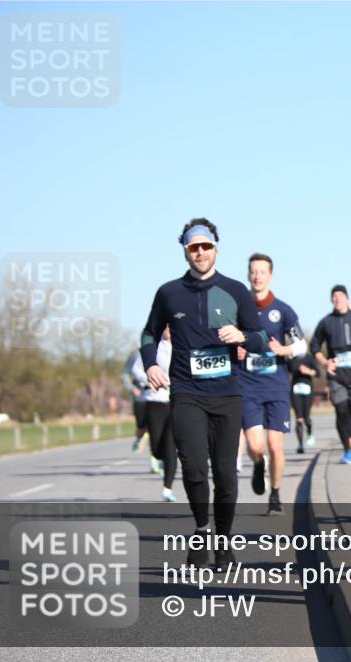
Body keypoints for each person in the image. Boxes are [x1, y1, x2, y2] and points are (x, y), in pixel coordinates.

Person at [142, 218, 268, 570]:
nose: (200, 253)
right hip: (186, 392)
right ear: (185, 250)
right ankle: (201, 532)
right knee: (195, 468)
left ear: (216, 248)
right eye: (193, 247)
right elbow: (149, 335)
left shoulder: (235, 291)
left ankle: (224, 543)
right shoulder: (169, 293)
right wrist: (152, 364)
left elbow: (260, 339)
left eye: (206, 246)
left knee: (226, 475)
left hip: (227, 394)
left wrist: (242, 336)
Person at [237, 253, 309, 516]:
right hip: (248, 386)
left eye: (262, 271)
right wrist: (236, 350)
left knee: (276, 446)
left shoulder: (283, 311)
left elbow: (302, 345)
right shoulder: (238, 309)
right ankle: (258, 465)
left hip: (276, 386)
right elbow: (226, 340)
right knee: (255, 447)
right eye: (253, 271)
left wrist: (284, 350)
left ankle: (275, 494)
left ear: (270, 275)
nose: (257, 276)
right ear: (248, 274)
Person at [310, 285, 351, 464]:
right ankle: (347, 450)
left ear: (347, 298)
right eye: (334, 296)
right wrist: (325, 362)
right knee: (341, 412)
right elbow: (314, 347)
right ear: (331, 300)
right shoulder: (326, 321)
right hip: (337, 376)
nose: (337, 299)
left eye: (340, 296)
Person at [130, 325, 178, 501]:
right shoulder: (153, 346)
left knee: (171, 446)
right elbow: (136, 369)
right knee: (157, 447)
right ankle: (160, 458)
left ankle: (167, 489)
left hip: (177, 402)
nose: (169, 331)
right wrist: (151, 377)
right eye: (166, 327)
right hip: (155, 401)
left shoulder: (184, 344)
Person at [120, 350, 151, 456]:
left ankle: (156, 458)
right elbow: (124, 374)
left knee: (156, 427)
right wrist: (132, 388)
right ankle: (139, 439)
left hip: (158, 395)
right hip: (140, 396)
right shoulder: (136, 354)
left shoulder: (165, 351)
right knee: (141, 426)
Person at [288, 351, 320, 453]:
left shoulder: (309, 357)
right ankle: (300, 445)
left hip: (307, 389)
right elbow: (285, 371)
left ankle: (309, 432)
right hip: (295, 390)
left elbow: (318, 373)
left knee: (306, 418)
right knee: (299, 419)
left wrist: (308, 371)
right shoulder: (291, 358)